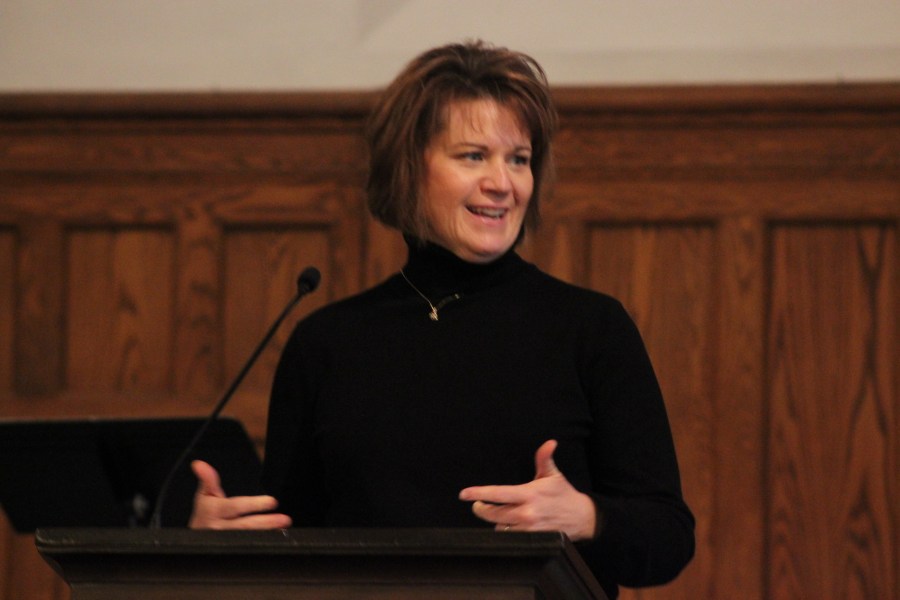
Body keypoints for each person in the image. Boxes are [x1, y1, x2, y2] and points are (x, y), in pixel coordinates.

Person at [189, 40, 695, 599]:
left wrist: (586, 517)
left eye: (519, 159)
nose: (503, 183)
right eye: (473, 156)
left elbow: (668, 537)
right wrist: (220, 545)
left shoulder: (591, 327)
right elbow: (290, 541)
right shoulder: (327, 343)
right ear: (409, 168)